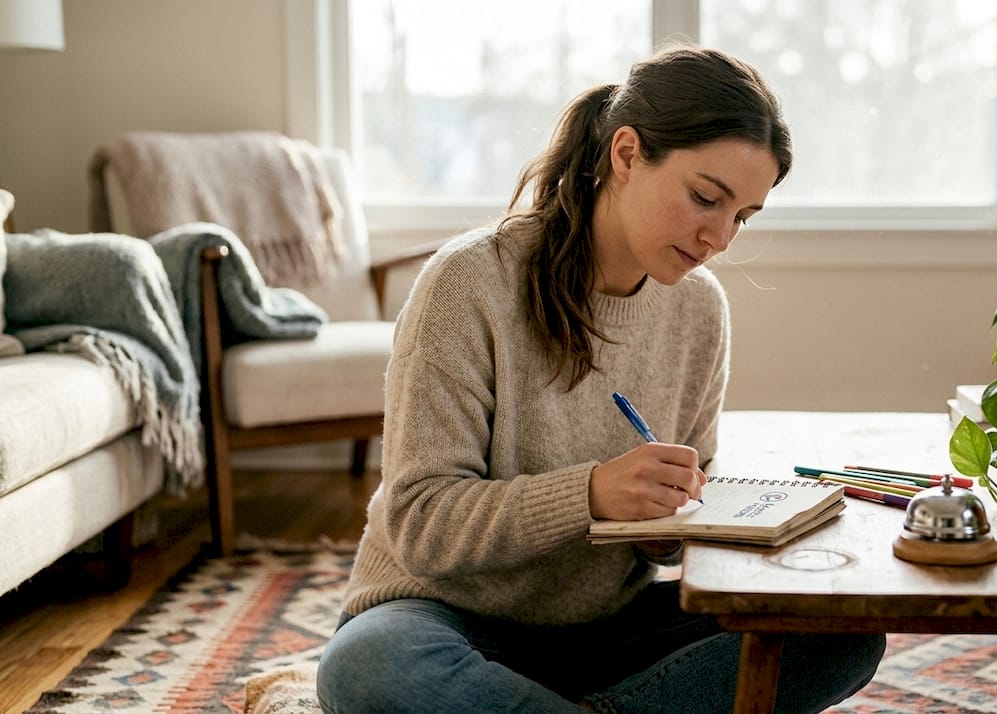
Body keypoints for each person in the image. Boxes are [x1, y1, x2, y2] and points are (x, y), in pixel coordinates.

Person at [316, 44, 885, 713]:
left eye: (742, 216)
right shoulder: (467, 283)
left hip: (601, 632)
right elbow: (421, 522)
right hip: (442, 618)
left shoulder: (700, 309)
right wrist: (590, 493)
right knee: (365, 670)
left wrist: (671, 517)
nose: (721, 238)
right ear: (625, 154)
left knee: (841, 634)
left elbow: (677, 523)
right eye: (706, 198)